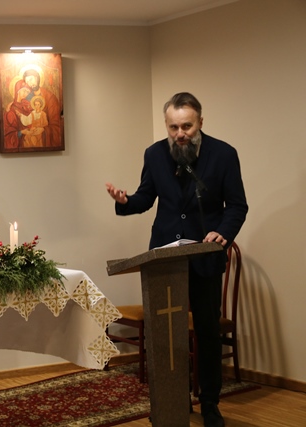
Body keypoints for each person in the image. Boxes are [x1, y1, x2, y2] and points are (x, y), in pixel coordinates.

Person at [105, 92, 247, 427]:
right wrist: (125, 201)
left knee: (207, 333)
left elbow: (237, 206)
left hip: (204, 257)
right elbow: (145, 197)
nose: (180, 134)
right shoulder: (155, 154)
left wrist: (222, 233)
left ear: (200, 122)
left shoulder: (223, 154)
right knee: (167, 335)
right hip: (164, 261)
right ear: (166, 125)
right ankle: (172, 399)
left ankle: (210, 403)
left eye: (187, 126)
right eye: (173, 127)